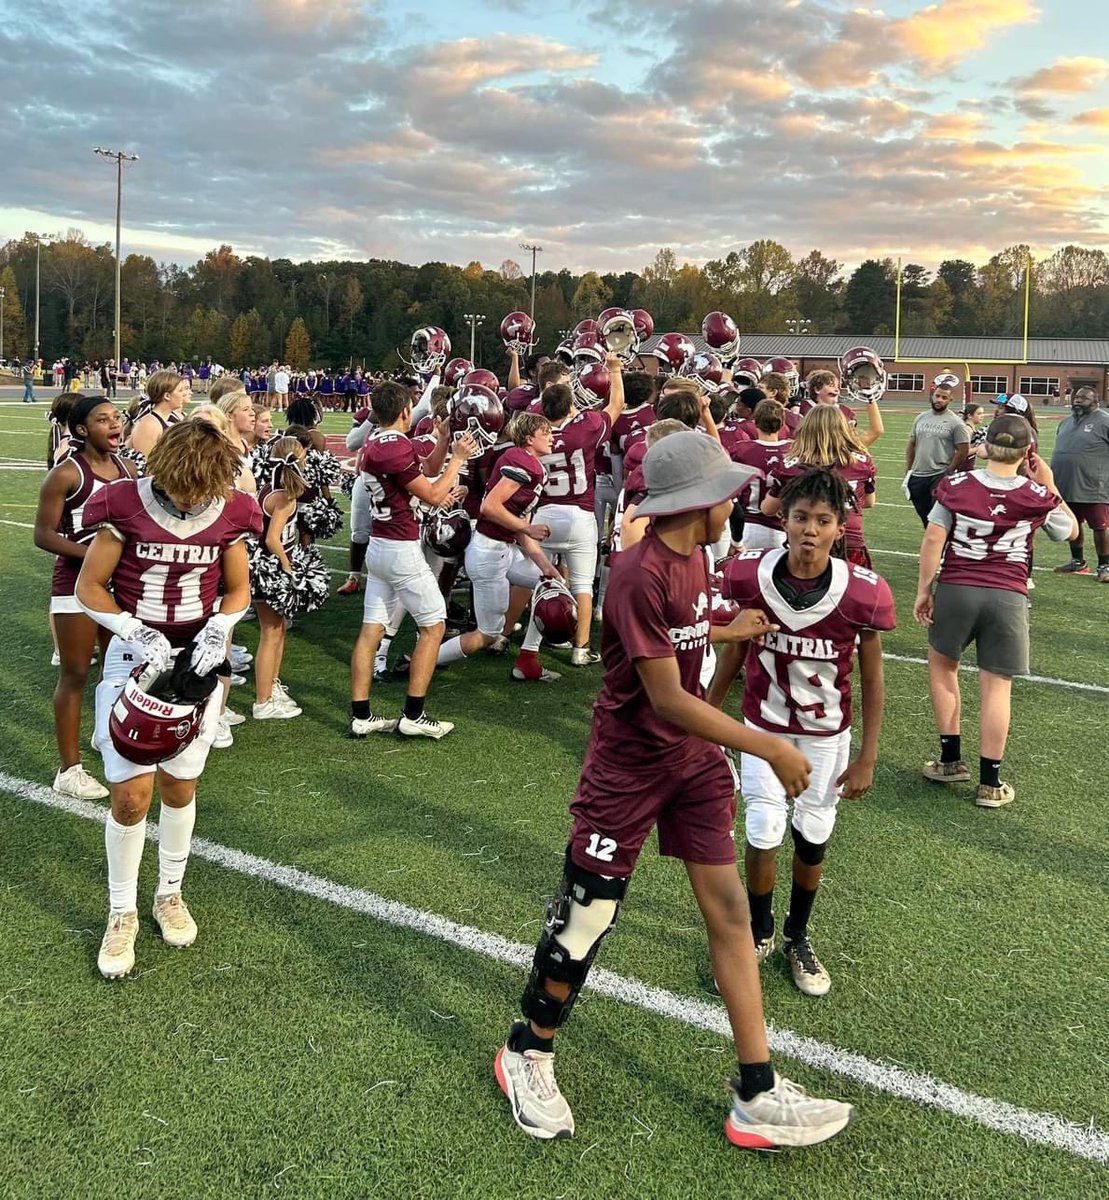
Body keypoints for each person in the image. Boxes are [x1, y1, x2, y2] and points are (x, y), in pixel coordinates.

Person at [494, 431, 854, 1149]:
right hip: (627, 768)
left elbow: (679, 636)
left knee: (727, 915)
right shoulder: (636, 571)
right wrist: (766, 744)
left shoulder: (696, 557)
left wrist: (725, 627)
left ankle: (754, 1090)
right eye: (728, 491)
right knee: (584, 921)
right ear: (702, 501)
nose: (741, 500)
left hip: (687, 764)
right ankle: (525, 1050)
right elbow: (665, 698)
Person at [75, 419, 262, 979]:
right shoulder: (124, 504)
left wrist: (221, 627)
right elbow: (90, 585)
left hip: (197, 665)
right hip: (137, 659)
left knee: (181, 785)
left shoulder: (229, 509)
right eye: (182, 486)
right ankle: (121, 911)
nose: (188, 499)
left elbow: (237, 588)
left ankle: (170, 894)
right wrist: (130, 629)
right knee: (131, 797)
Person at [710, 468, 895, 996]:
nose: (810, 530)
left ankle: (798, 933)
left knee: (813, 832)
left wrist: (868, 756)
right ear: (783, 521)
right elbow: (736, 649)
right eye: (800, 518)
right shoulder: (751, 576)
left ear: (840, 527)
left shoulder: (863, 592)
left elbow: (874, 677)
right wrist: (706, 713)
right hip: (763, 725)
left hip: (825, 734)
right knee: (763, 828)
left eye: (822, 520)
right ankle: (760, 927)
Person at [914, 414, 1077, 807]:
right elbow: (1069, 530)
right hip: (1008, 594)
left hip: (958, 587)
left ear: (984, 447)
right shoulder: (1035, 494)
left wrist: (924, 589)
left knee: (943, 667)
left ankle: (950, 760)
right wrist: (1049, 484)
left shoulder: (955, 485)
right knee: (997, 686)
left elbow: (935, 536)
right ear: (1027, 453)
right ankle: (990, 782)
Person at [350, 381, 477, 740]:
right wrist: (459, 459)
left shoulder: (378, 441)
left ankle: (362, 714)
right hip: (400, 548)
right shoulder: (394, 446)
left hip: (380, 544)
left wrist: (442, 442)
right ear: (405, 411)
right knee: (434, 625)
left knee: (372, 628)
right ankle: (414, 713)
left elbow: (423, 469)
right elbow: (435, 493)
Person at [34, 396, 136, 799]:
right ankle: (69, 770)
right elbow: (44, 535)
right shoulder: (65, 475)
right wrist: (98, 559)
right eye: (103, 420)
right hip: (75, 587)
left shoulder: (128, 469)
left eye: (118, 418)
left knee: (117, 671)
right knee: (75, 674)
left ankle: (105, 736)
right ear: (81, 430)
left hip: (119, 588)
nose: (115, 425)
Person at [436, 413, 563, 683]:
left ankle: (528, 660)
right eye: (546, 433)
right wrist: (527, 528)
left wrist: (545, 565)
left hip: (501, 550)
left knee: (551, 584)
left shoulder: (526, 460)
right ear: (529, 439)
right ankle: (426, 659)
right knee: (487, 634)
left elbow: (518, 524)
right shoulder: (523, 462)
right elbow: (490, 507)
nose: (552, 436)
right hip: (488, 553)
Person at [534, 357, 626, 663]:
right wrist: (614, 371)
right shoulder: (584, 428)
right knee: (582, 585)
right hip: (579, 514)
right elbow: (616, 406)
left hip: (543, 515)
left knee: (542, 582)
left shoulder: (533, 431)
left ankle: (530, 643)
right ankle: (581, 648)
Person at [762, 405, 877, 568]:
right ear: (843, 429)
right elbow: (868, 502)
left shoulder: (791, 465)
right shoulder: (862, 462)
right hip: (850, 541)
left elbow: (768, 509)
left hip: (807, 542)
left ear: (806, 430)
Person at [251, 438, 309, 720]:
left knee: (279, 629)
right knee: (270, 632)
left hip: (270, 567)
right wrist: (288, 566)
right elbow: (273, 539)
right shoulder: (284, 497)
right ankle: (263, 701)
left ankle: (272, 687)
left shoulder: (272, 488)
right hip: (270, 569)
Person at [1049, 386, 1109, 581]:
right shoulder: (1066, 422)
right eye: (1076, 397)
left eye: (1084, 398)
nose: (1078, 400)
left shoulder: (1104, 421)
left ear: (1095, 401)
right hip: (1066, 484)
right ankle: (1078, 561)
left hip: (1094, 485)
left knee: (1100, 526)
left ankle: (1105, 565)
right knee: (1073, 523)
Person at [903, 375, 971, 526]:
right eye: (937, 396)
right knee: (924, 514)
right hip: (918, 474)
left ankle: (940, 543)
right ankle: (933, 542)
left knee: (938, 516)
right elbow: (912, 444)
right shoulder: (921, 418)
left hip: (938, 474)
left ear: (950, 400)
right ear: (932, 396)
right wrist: (908, 470)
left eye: (944, 397)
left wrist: (949, 470)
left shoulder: (956, 423)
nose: (939, 400)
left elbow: (963, 450)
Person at [729, 399, 791, 549]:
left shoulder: (741, 449)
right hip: (780, 529)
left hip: (747, 525)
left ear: (755, 422)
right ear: (782, 424)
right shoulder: (794, 450)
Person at [126, 369, 190, 459]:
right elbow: (144, 463)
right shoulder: (149, 424)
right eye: (180, 390)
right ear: (167, 396)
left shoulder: (167, 418)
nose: (184, 394)